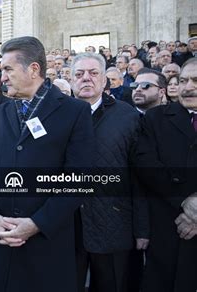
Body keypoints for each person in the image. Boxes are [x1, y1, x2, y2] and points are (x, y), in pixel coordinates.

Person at [0, 36, 94, 292]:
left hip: (48, 246)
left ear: (34, 69)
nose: (2, 78)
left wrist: (37, 223)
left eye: (8, 69)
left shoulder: (75, 112)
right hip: (2, 242)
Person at [70, 53, 149, 292]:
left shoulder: (127, 116)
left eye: (93, 73)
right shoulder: (57, 116)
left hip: (114, 224)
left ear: (105, 81)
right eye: (79, 74)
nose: (86, 79)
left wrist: (142, 229)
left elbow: (140, 177)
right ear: (71, 80)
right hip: (67, 227)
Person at [134, 58, 197, 292]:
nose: (188, 87)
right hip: (167, 231)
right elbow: (145, 165)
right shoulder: (155, 119)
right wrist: (185, 201)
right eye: (183, 81)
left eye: (196, 81)